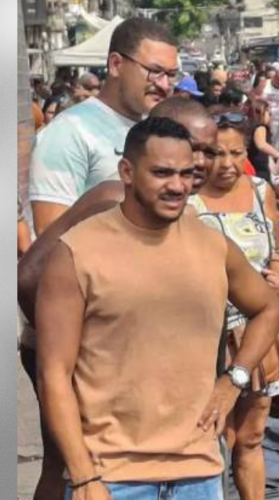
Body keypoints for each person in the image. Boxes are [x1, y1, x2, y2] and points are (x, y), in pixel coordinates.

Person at [35, 117, 279, 500]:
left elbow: (267, 308)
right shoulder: (77, 252)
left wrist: (234, 379)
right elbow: (54, 374)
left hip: (198, 473)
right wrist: (83, 476)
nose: (177, 186)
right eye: (163, 173)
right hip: (111, 475)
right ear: (127, 172)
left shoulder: (211, 246)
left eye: (186, 174)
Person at [18, 97, 219, 500]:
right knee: (67, 468)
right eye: (191, 148)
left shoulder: (188, 217)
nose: (197, 164)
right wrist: (74, 332)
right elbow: (28, 277)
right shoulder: (114, 201)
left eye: (206, 152)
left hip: (168, 419)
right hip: (80, 361)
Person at [188, 110, 279, 500]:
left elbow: (277, 246)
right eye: (215, 153)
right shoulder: (188, 199)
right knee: (214, 437)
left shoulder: (261, 190)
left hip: (260, 335)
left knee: (251, 436)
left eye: (236, 153)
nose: (226, 164)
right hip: (205, 339)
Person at [28, 18, 179, 235]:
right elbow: (50, 231)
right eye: (154, 71)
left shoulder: (161, 127)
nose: (164, 85)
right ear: (116, 64)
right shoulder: (69, 131)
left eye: (171, 75)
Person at [247, 98, 279, 183]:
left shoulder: (249, 125)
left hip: (255, 166)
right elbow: (261, 144)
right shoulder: (260, 127)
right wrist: (277, 154)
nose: (270, 116)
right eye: (269, 113)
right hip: (259, 169)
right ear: (262, 112)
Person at [262, 70, 279, 163]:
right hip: (264, 121)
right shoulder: (265, 84)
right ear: (274, 77)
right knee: (265, 147)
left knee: (278, 149)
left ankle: (276, 169)